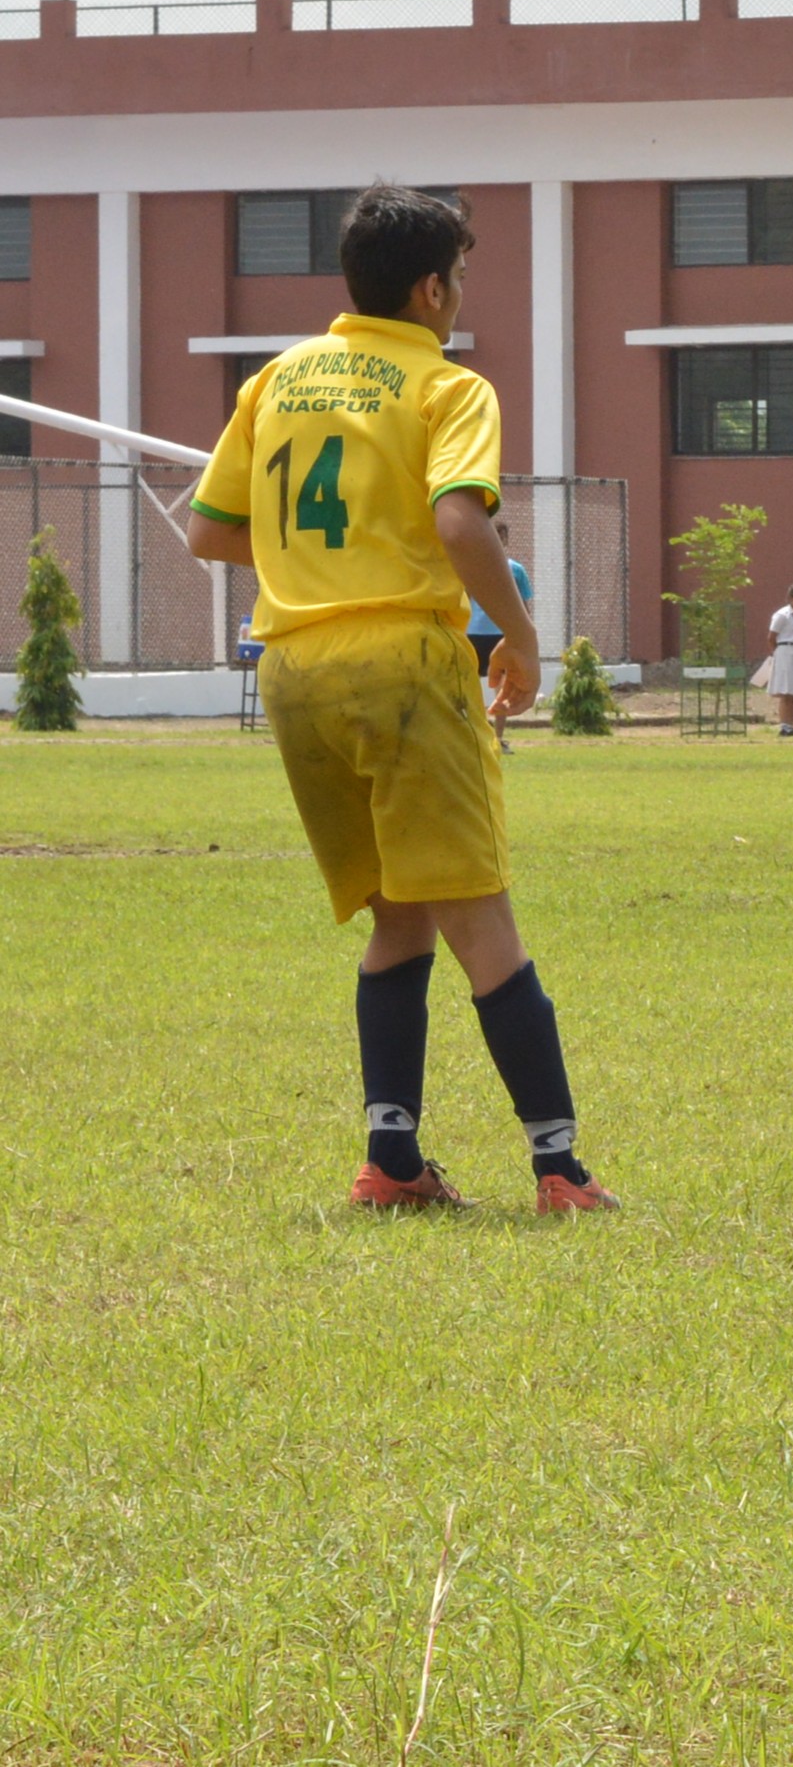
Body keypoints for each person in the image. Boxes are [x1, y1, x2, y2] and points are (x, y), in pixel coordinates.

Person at [179, 183, 614, 1211]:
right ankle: (560, 1171)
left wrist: (321, 560)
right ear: (430, 289)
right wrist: (521, 635)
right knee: (482, 920)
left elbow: (207, 530)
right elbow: (462, 523)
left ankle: (393, 1162)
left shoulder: (276, 378)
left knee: (400, 918)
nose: (459, 294)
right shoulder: (448, 387)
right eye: (458, 276)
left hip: (293, 669)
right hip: (402, 666)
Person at [464, 516, 533, 754]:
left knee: (503, 687)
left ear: (506, 541)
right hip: (473, 633)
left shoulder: (515, 569)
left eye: (501, 537)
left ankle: (498, 739)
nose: (498, 541)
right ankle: (473, 737)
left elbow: (523, 603)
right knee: (467, 687)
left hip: (501, 634)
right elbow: (465, 597)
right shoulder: (473, 566)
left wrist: (524, 631)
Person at [761, 581, 793, 737]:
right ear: (792, 598)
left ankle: (791, 725)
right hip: (785, 650)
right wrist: (777, 654)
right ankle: (784, 726)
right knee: (786, 690)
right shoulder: (782, 615)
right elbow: (771, 637)